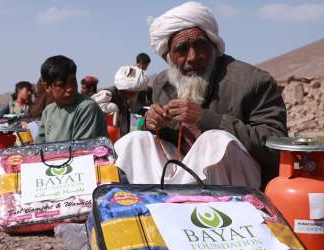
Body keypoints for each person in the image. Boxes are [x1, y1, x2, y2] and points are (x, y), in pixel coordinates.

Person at [114, 1, 287, 189]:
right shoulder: (161, 84)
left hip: (241, 186)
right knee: (136, 141)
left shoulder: (253, 81)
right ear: (168, 56)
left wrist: (206, 119)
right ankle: (157, 203)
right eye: (181, 49)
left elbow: (277, 148)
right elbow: (165, 142)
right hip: (184, 174)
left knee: (215, 140)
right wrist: (151, 124)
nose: (192, 57)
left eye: (200, 45)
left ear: (213, 46)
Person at [34, 55, 108, 143]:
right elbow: (38, 147)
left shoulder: (87, 108)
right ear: (47, 87)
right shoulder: (49, 111)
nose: (70, 89)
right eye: (62, 85)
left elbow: (81, 151)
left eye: (73, 81)